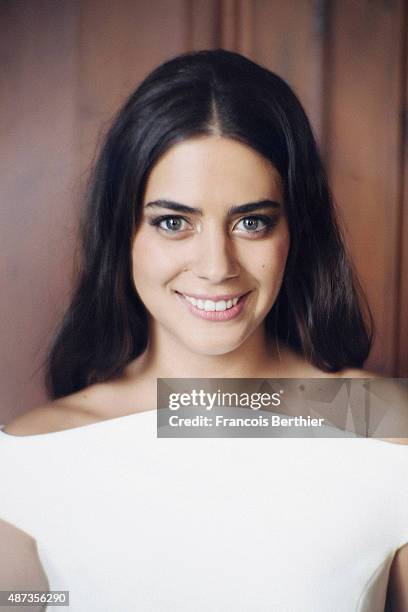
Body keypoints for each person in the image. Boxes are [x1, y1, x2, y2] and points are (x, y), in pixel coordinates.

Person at [0, 49, 407, 611]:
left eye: (251, 222)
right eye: (173, 222)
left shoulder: (387, 431)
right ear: (122, 232)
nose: (217, 266)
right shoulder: (31, 455)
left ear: (294, 230)